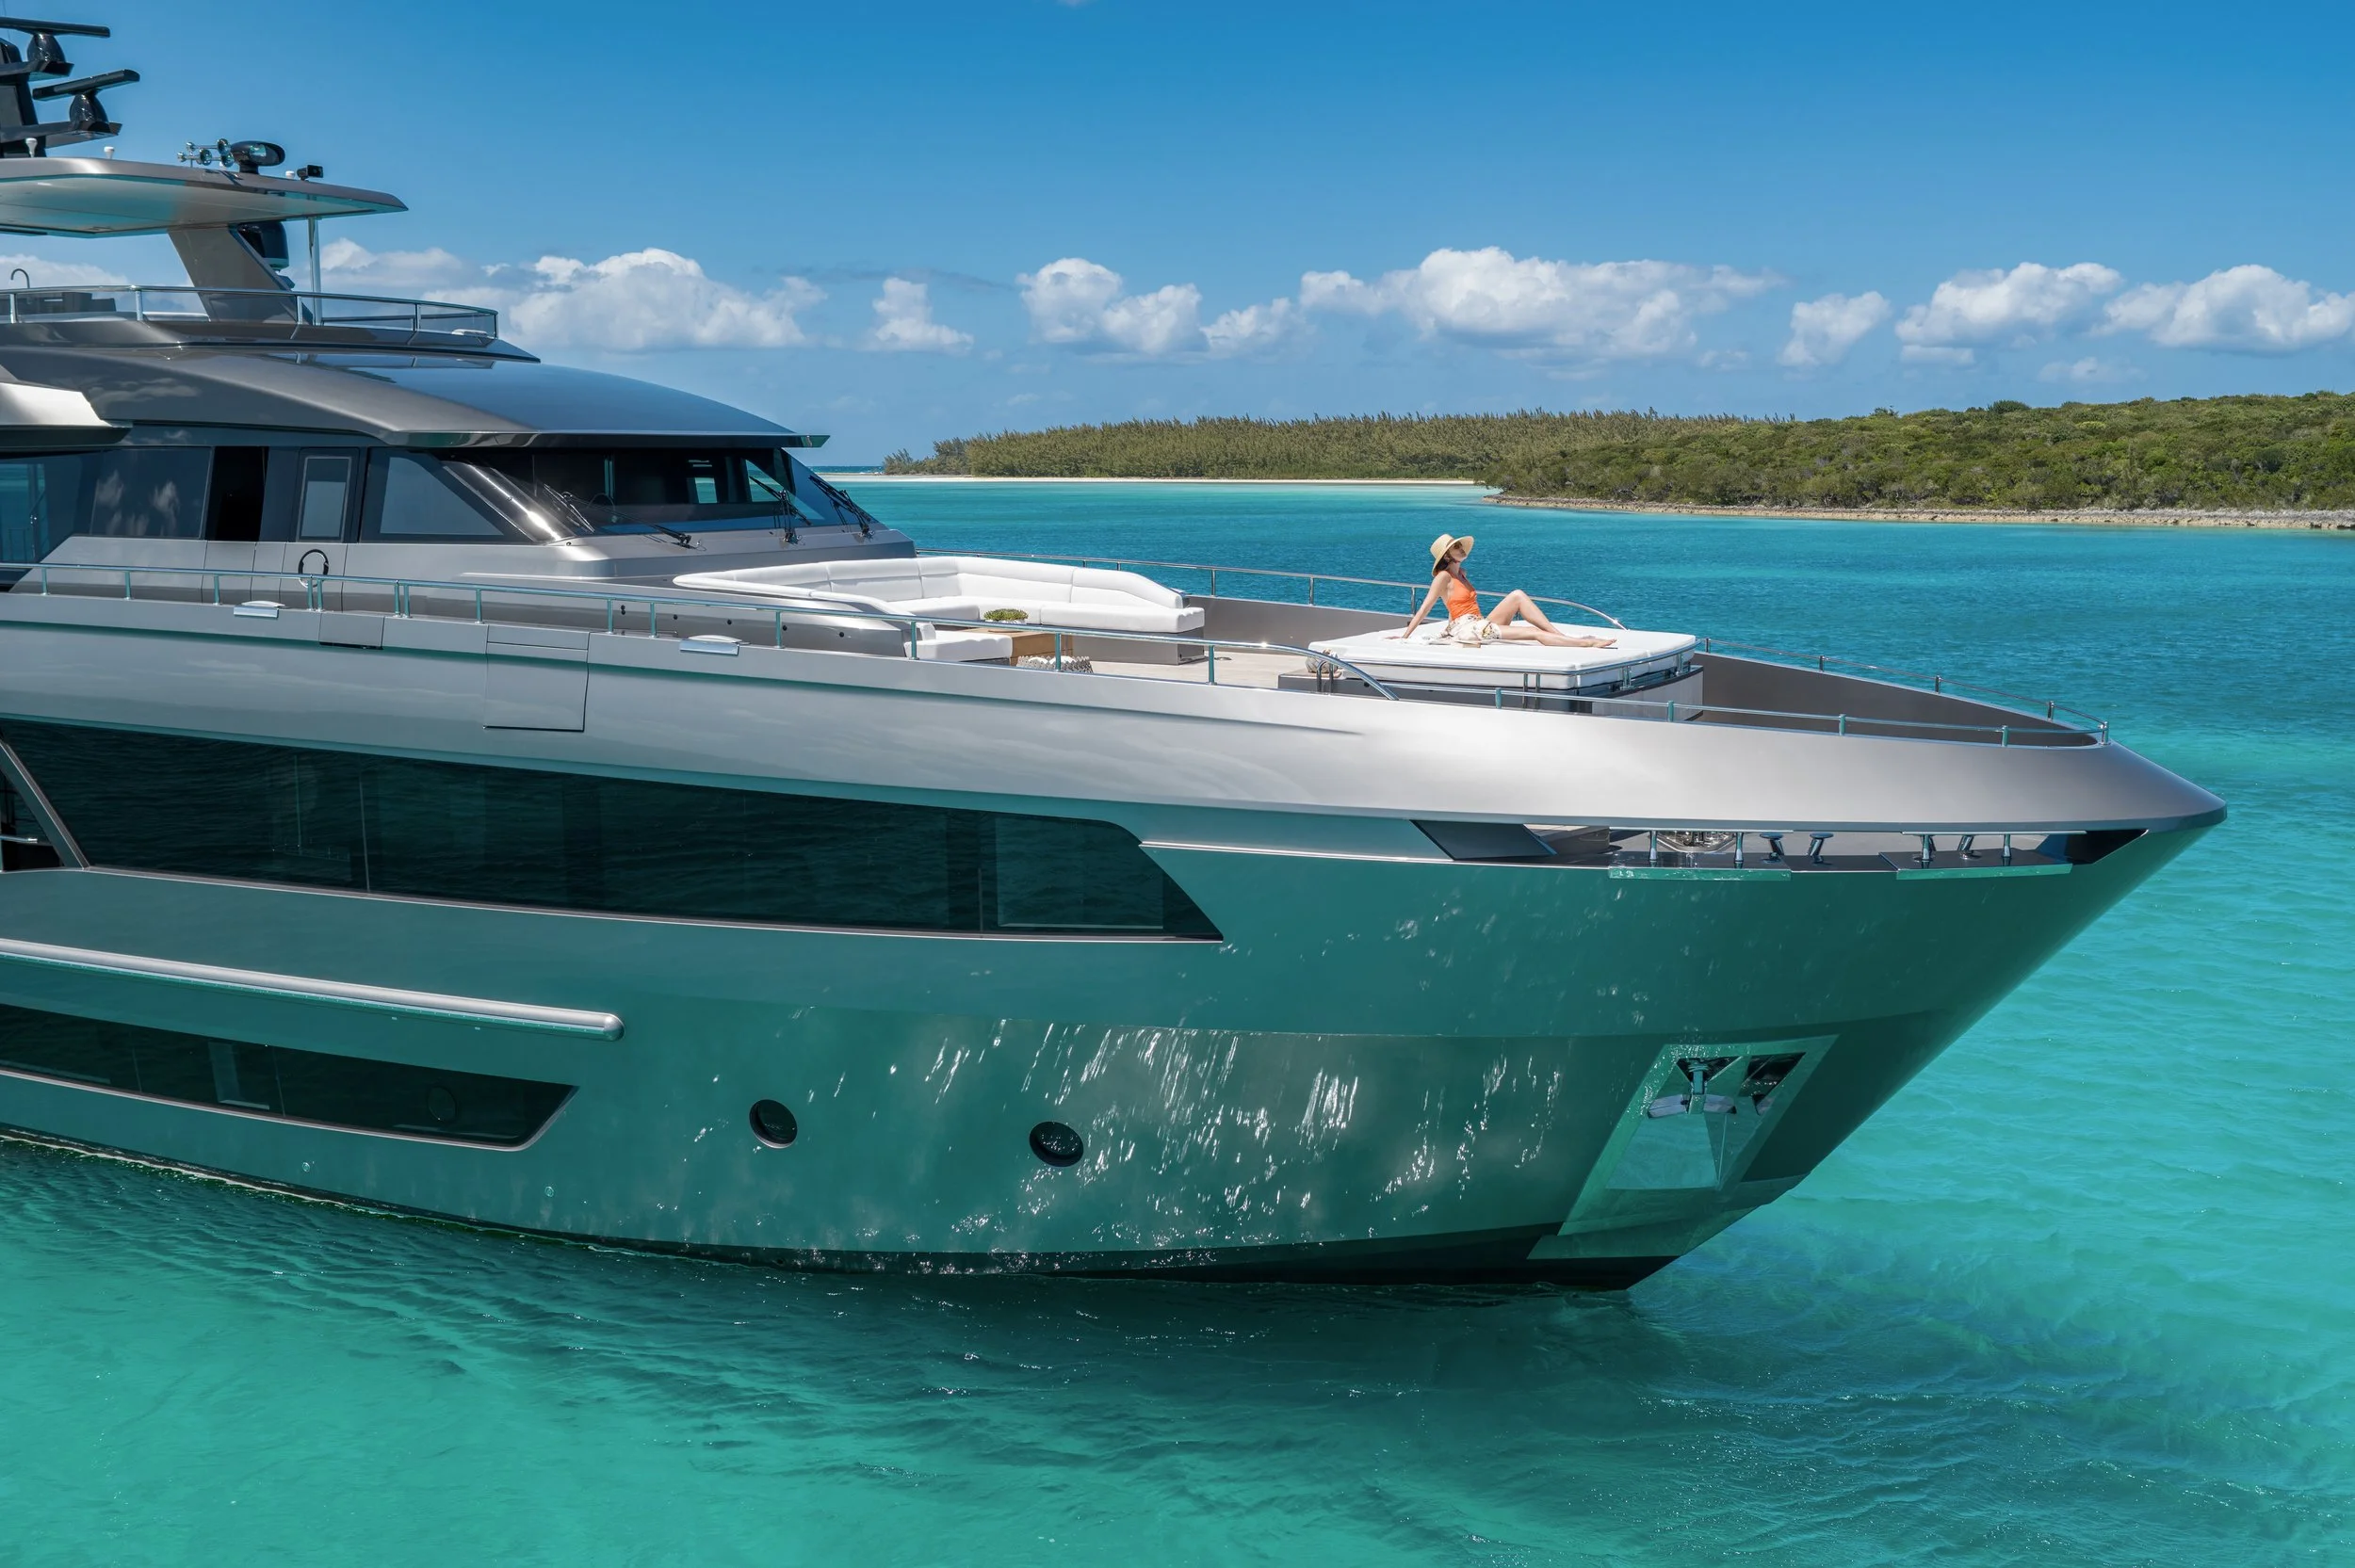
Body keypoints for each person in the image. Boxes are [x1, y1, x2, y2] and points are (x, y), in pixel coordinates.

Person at [1398, 534, 1616, 648]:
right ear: (1447, 555)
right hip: (1468, 628)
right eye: (1456, 547)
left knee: (1517, 595)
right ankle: (1586, 644)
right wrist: (1404, 636)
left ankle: (1560, 637)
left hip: (1479, 622)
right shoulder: (1444, 577)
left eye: (1460, 545)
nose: (1461, 549)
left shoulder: (1461, 573)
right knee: (1533, 634)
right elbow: (1426, 606)